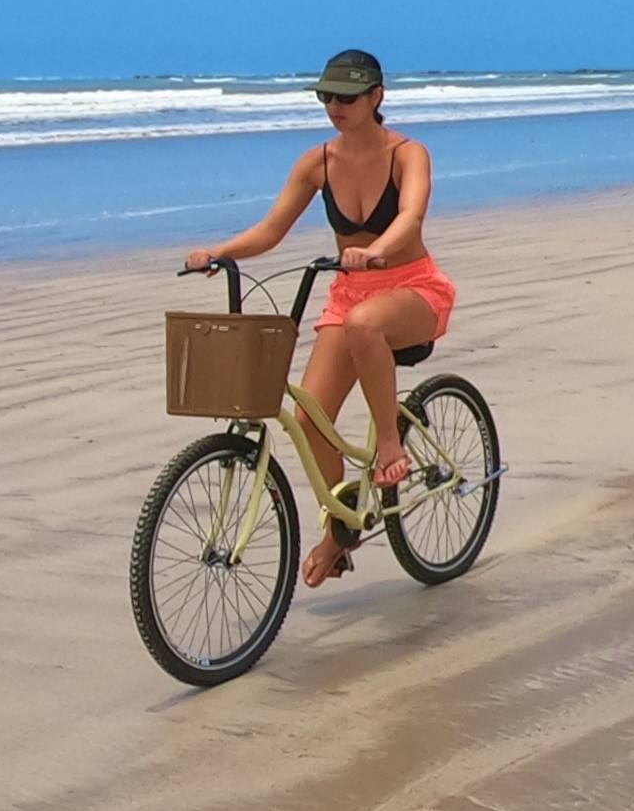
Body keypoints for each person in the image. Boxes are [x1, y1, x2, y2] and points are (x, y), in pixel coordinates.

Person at [183, 49, 457, 586]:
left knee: (364, 326)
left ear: (376, 97)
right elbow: (270, 230)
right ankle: (343, 527)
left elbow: (411, 215)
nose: (335, 107)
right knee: (309, 423)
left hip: (412, 290)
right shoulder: (317, 162)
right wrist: (219, 252)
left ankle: (389, 445)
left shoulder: (408, 154)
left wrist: (376, 250)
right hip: (348, 295)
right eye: (326, 97)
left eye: (347, 98)